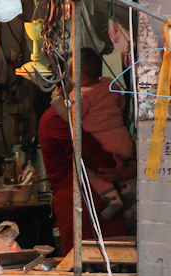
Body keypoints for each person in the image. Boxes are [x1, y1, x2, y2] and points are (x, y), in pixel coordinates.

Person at [39, 86, 135, 255]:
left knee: (115, 263)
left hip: (104, 209)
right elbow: (99, 158)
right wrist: (128, 165)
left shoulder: (92, 116)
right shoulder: (58, 118)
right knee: (86, 264)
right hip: (81, 209)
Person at [51, 48, 135, 221]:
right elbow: (120, 102)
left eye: (71, 77)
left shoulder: (83, 95)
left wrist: (57, 100)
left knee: (90, 170)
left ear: (83, 79)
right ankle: (126, 190)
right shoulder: (108, 83)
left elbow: (71, 116)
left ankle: (113, 199)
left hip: (105, 143)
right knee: (117, 162)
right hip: (123, 141)